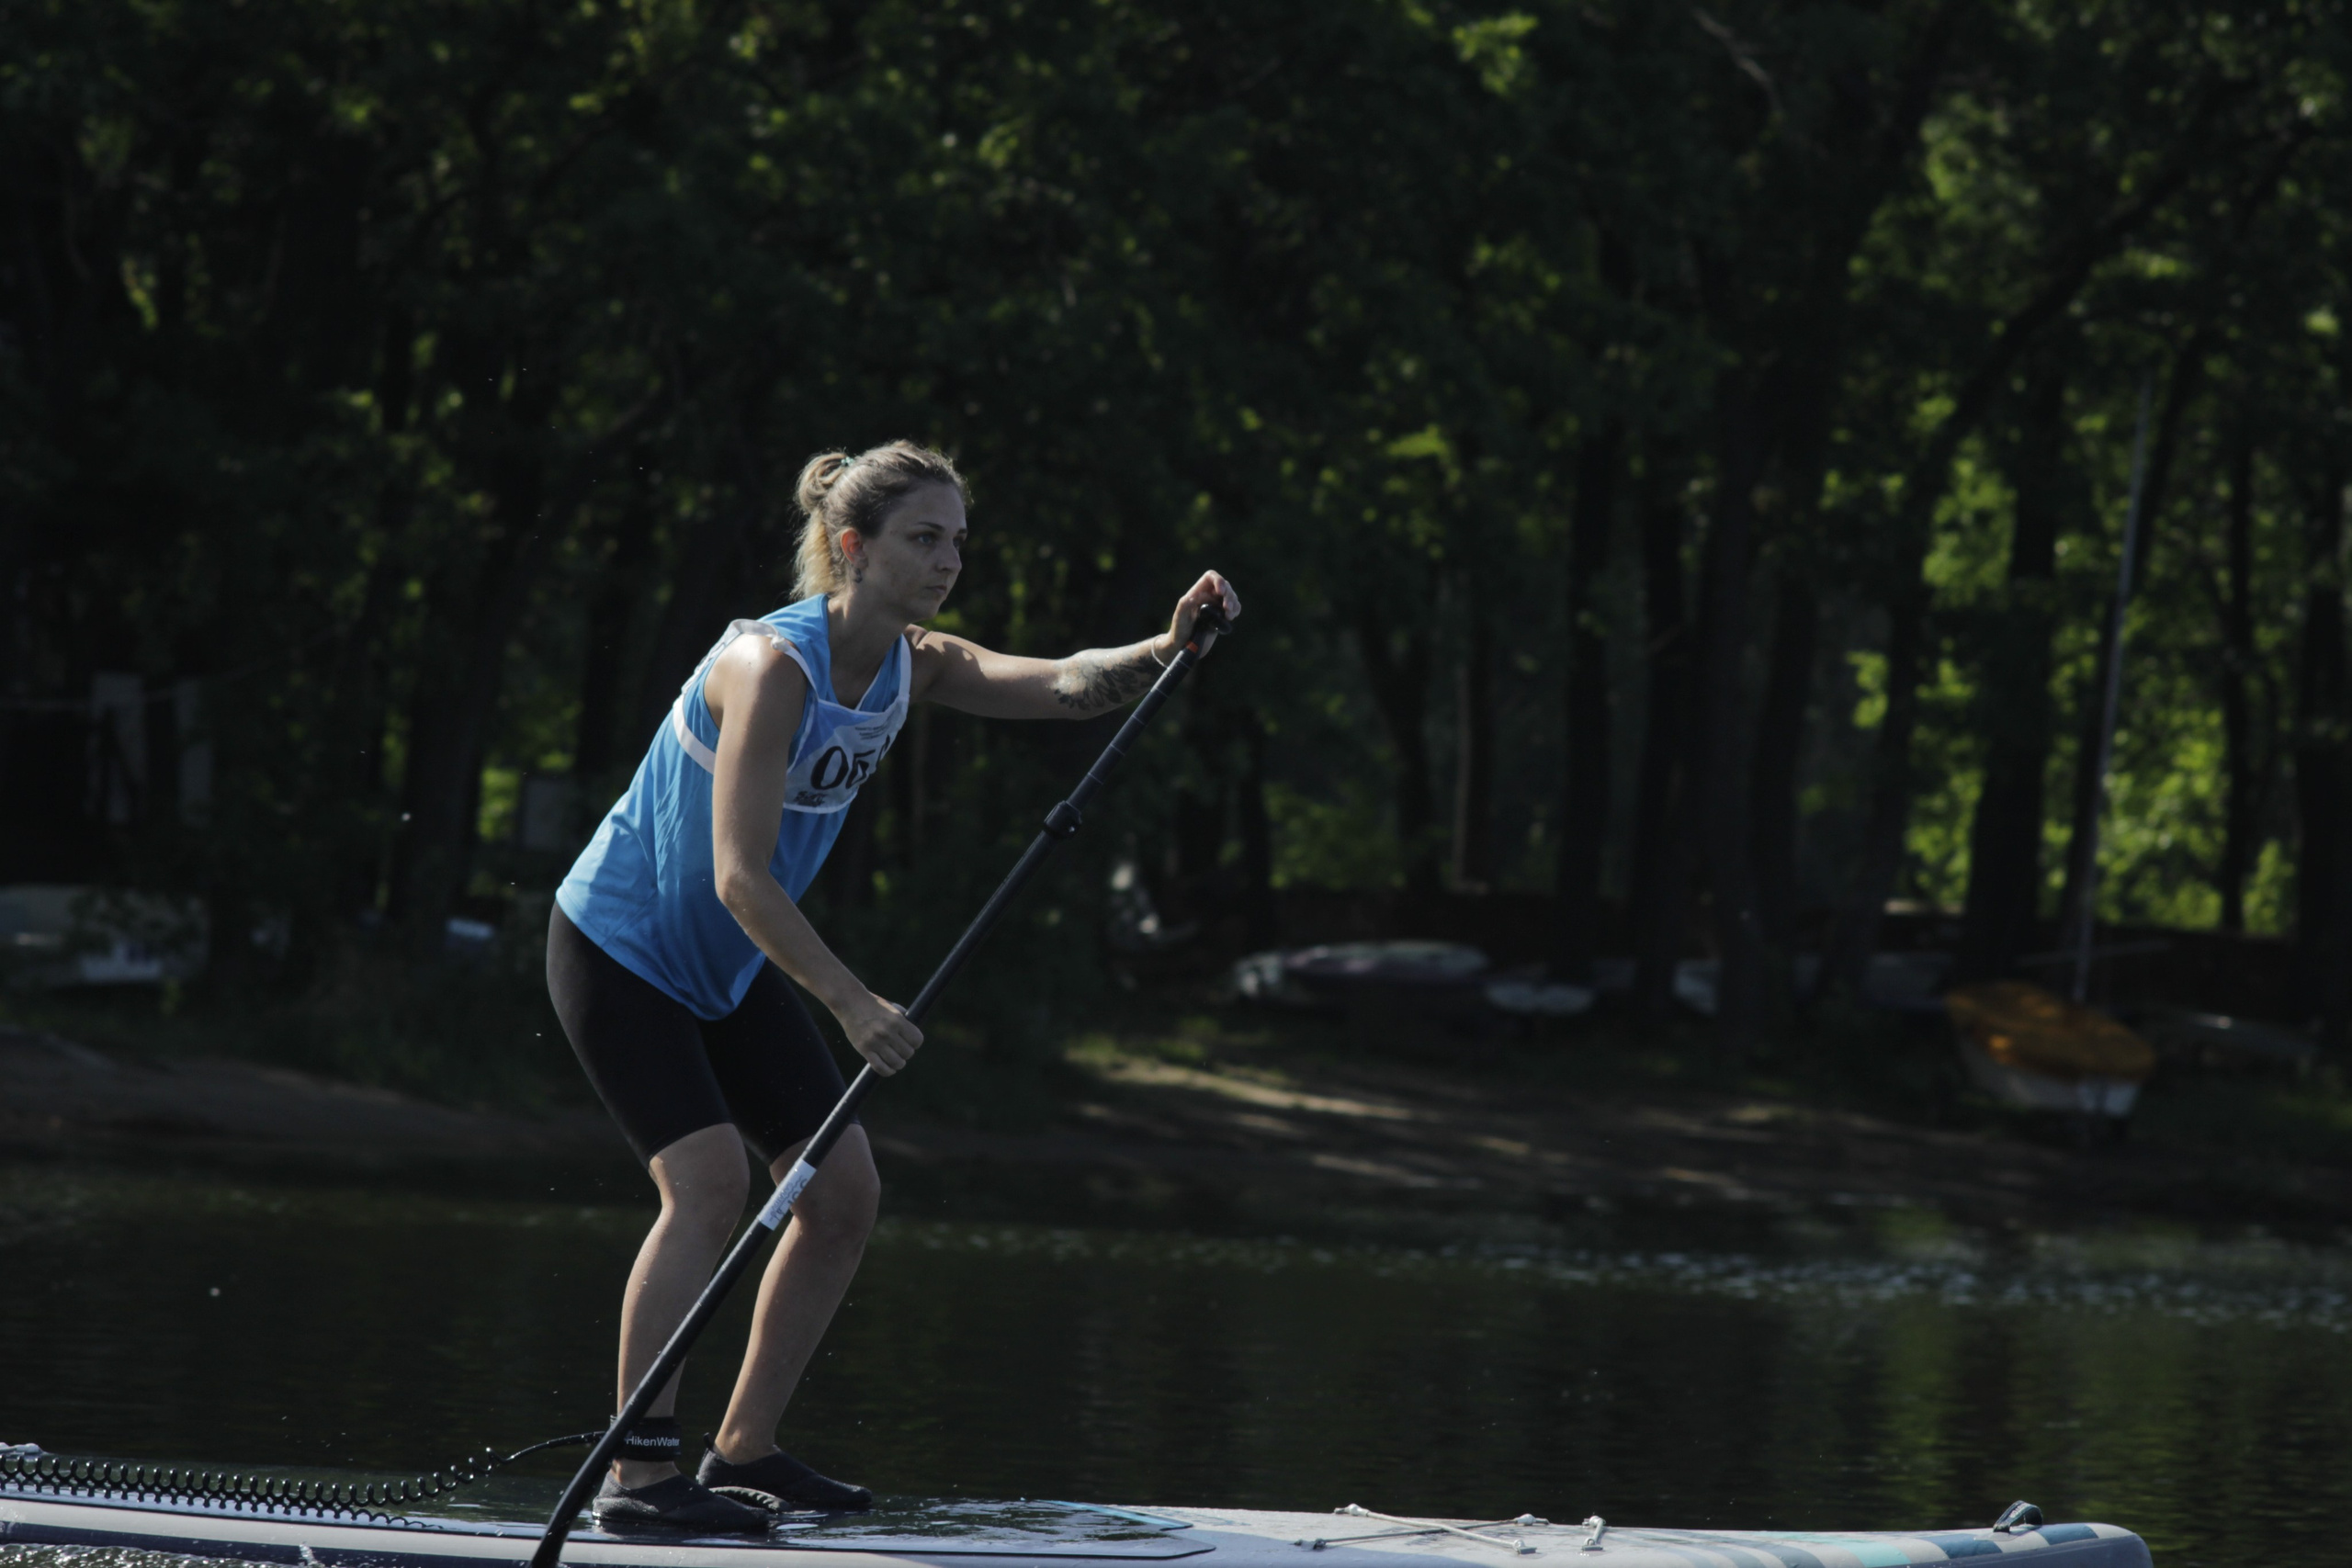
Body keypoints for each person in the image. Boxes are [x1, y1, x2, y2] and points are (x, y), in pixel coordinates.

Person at [546, 439, 1240, 1531]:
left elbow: (1064, 687)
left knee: (843, 1192)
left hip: (733, 963)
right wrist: (853, 1002)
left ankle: (743, 1451)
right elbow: (739, 877)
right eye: (924, 539)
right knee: (710, 1185)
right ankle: (637, 1480)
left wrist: (1168, 645)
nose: (947, 561)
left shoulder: (915, 663)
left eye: (957, 541)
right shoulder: (768, 667)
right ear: (852, 547)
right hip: (621, 950)